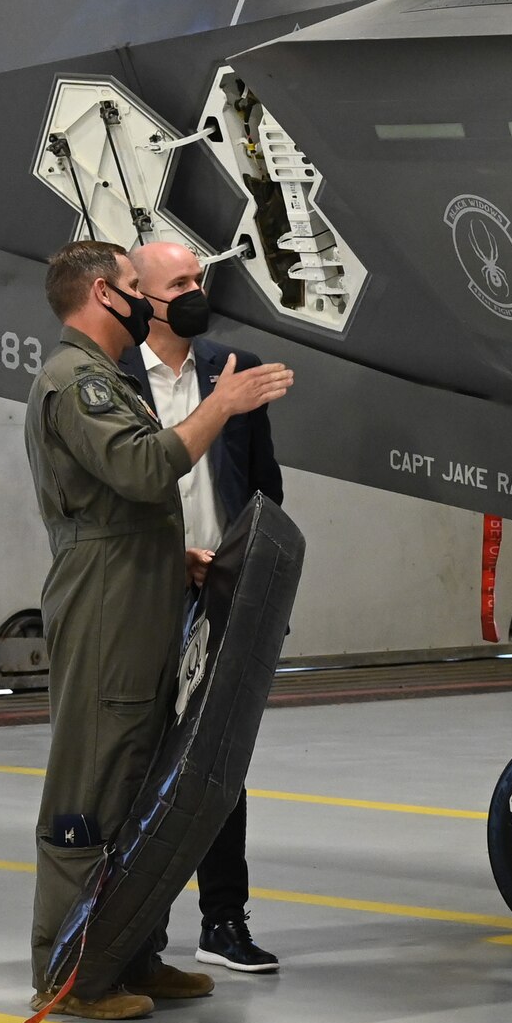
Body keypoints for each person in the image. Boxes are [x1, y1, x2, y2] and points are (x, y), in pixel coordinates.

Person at [23, 240, 291, 1020]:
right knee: (94, 792)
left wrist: (174, 559)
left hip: (142, 595)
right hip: (107, 612)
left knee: (141, 788)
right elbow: (144, 471)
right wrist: (222, 406)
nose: (152, 300)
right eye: (140, 287)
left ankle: (132, 954)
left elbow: (120, 509)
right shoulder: (75, 382)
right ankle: (69, 975)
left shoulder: (103, 379)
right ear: (105, 295)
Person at [121, 239, 289, 973]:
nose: (196, 288)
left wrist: (250, 576)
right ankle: (139, 926)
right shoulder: (114, 378)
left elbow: (264, 487)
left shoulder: (234, 370)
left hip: (220, 594)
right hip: (144, 594)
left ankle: (223, 920)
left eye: (199, 276)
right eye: (180, 279)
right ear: (143, 296)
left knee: (220, 763)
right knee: (140, 763)